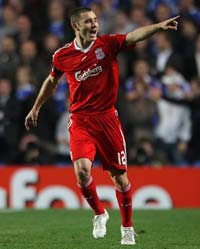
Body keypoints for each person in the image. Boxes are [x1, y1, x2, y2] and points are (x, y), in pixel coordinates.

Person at [25, 7, 179, 245]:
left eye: (96, 20)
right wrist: (36, 107)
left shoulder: (107, 45)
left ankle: (127, 228)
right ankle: (99, 213)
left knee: (120, 179)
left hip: (107, 120)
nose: (94, 25)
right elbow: (51, 81)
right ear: (76, 26)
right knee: (82, 170)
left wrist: (157, 27)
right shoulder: (62, 55)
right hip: (80, 120)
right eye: (88, 21)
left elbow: (133, 36)